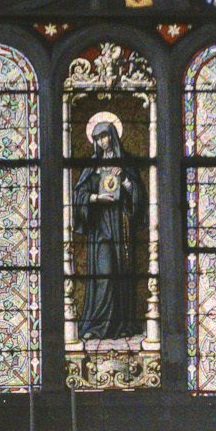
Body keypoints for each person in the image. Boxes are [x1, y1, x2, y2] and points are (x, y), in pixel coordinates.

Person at [72, 112, 145, 340]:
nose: (102, 142)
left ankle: (120, 325)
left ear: (113, 136)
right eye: (98, 138)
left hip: (121, 224)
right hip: (100, 225)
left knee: (121, 273)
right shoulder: (93, 165)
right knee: (105, 273)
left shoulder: (126, 162)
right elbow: (79, 194)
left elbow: (138, 194)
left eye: (105, 136)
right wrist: (95, 199)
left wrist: (124, 180)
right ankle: (97, 326)